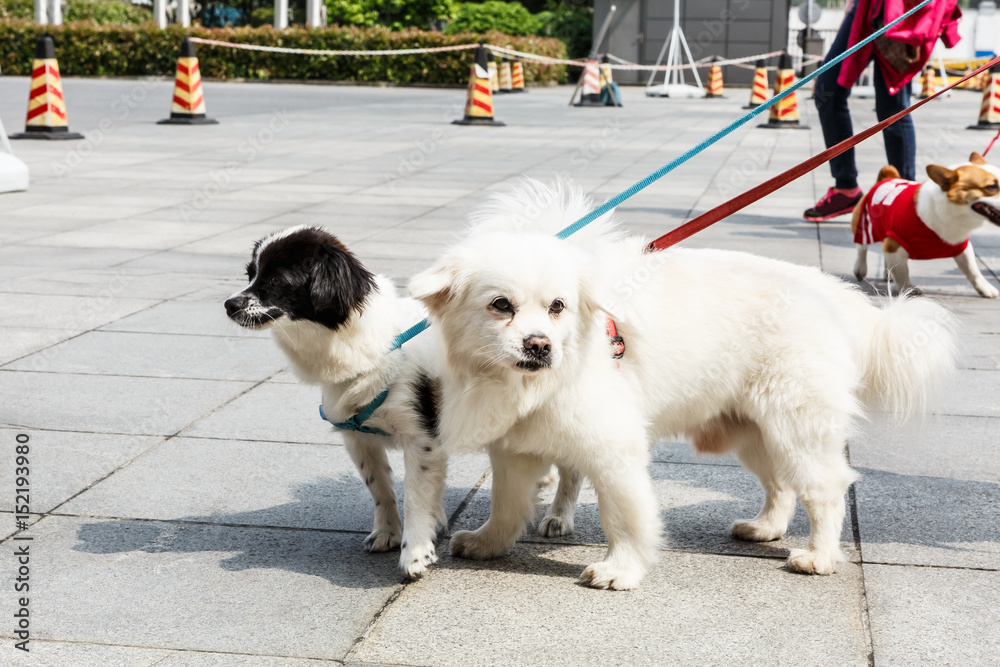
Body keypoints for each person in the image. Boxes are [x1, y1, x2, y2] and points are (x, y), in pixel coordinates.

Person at [805, 0, 962, 221]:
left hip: (905, 7)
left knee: (893, 106)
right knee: (827, 90)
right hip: (867, 6)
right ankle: (846, 187)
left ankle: (906, 197)